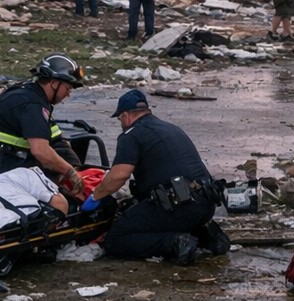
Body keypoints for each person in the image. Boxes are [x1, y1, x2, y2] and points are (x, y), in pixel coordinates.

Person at [82, 90, 228, 265]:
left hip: (179, 207)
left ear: (126, 116)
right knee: (150, 211)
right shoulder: (170, 128)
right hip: (206, 204)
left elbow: (119, 175)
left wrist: (95, 196)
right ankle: (209, 237)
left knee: (116, 238)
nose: (122, 123)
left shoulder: (131, 135)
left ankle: (175, 243)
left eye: (120, 119)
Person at [0, 56, 88, 198]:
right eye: (67, 88)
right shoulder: (32, 104)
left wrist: (74, 164)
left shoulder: (31, 92)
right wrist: (70, 172)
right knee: (55, 192)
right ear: (54, 83)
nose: (68, 94)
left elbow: (53, 136)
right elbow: (41, 151)